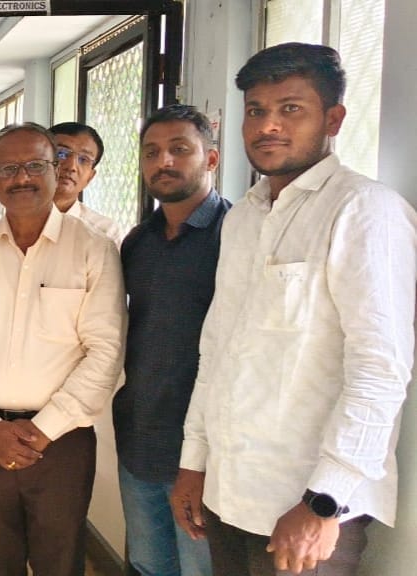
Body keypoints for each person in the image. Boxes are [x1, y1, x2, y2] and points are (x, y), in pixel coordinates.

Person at [171, 43, 417, 576]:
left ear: (333, 118)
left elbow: (380, 370)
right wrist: (194, 463)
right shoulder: (245, 218)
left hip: (306, 509)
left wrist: (325, 501)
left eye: (291, 109)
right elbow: (217, 350)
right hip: (229, 493)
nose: (268, 126)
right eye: (256, 110)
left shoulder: (364, 211)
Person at [0, 122, 125, 575]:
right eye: (8, 168)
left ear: (56, 170)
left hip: (61, 445)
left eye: (35, 165)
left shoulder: (93, 250)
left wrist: (44, 429)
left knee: (60, 563)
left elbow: (105, 351)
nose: (22, 178)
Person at [114, 104, 228, 576]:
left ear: (212, 159)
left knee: (200, 568)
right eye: (152, 152)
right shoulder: (138, 243)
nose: (164, 162)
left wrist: (200, 458)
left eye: (180, 150)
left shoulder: (235, 236)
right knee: (146, 564)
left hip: (205, 454)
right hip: (140, 441)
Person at [49, 122, 124, 245]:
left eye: (83, 160)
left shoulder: (104, 232)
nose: (72, 166)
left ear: (90, 177)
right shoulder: (13, 218)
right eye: (61, 154)